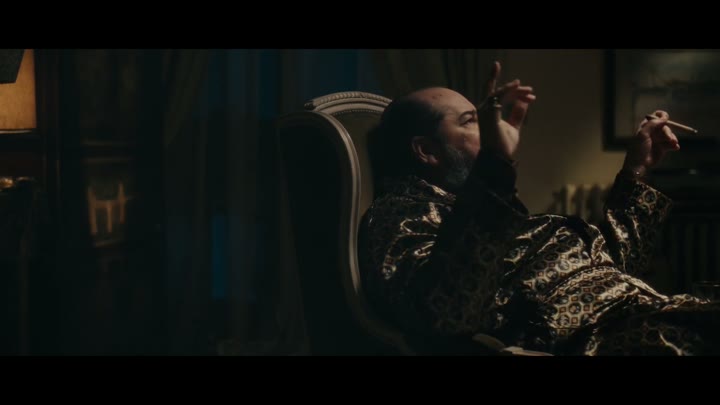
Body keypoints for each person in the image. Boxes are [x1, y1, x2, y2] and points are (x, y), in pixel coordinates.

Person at [361, 61, 720, 355]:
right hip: (602, 335)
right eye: (471, 121)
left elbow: (612, 266)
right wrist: (494, 165)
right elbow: (445, 314)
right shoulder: (400, 213)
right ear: (426, 150)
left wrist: (637, 169)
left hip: (637, 309)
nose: (491, 127)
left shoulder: (479, 206)